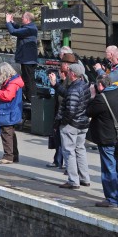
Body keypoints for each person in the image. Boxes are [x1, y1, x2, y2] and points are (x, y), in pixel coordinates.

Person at [50, 57, 91, 189]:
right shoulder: (83, 86)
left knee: (69, 151)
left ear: (72, 74)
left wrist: (63, 123)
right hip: (82, 124)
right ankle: (85, 178)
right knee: (80, 150)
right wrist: (56, 84)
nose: (66, 74)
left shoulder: (74, 89)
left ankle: (73, 181)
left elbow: (70, 109)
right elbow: (68, 95)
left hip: (72, 125)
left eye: (68, 73)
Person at [86, 74, 118, 207]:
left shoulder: (100, 98)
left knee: (108, 168)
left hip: (106, 139)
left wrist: (92, 95)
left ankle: (112, 198)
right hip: (116, 137)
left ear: (100, 85)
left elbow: (88, 111)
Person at [5, 12, 39, 102]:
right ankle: (30, 98)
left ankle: (31, 100)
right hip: (27, 59)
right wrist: (12, 22)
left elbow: (13, 32)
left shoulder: (30, 29)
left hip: (28, 60)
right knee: (28, 80)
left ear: (27, 19)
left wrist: (8, 22)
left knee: (28, 81)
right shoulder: (30, 27)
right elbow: (19, 28)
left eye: (23, 18)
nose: (21, 19)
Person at [0, 63, 24, 164]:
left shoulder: (12, 83)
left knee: (6, 134)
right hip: (12, 111)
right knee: (10, 134)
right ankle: (14, 156)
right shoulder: (14, 81)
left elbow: (8, 96)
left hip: (8, 111)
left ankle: (8, 156)